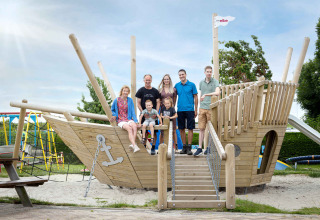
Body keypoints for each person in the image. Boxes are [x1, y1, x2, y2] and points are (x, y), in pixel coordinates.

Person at [194, 66, 220, 156]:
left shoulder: (215, 82)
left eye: (210, 71)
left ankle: (209, 147)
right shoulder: (201, 82)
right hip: (202, 108)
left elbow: (217, 93)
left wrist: (206, 95)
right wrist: (201, 101)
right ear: (204, 72)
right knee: (201, 128)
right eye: (207, 71)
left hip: (211, 108)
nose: (209, 73)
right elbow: (201, 94)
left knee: (210, 129)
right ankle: (200, 148)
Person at [174, 69, 198, 155]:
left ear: (186, 75)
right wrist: (173, 108)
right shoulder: (176, 85)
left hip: (190, 109)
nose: (181, 76)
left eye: (182, 74)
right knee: (181, 129)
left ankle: (189, 148)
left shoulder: (192, 85)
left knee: (190, 128)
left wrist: (196, 109)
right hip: (180, 109)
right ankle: (184, 147)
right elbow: (174, 97)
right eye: (180, 75)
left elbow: (195, 97)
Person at [136, 74, 161, 155]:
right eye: (146, 80)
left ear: (151, 80)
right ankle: (144, 147)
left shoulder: (155, 91)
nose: (147, 81)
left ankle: (153, 148)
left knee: (155, 131)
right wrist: (143, 112)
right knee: (145, 131)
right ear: (144, 80)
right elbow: (138, 103)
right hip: (144, 115)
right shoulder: (140, 91)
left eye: (149, 80)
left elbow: (158, 102)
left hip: (153, 115)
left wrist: (156, 112)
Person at [110, 85, 140, 153]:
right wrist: (114, 115)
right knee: (129, 128)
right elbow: (112, 109)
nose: (125, 92)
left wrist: (136, 121)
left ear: (128, 92)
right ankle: (134, 145)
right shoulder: (116, 100)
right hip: (120, 120)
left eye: (127, 91)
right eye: (124, 91)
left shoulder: (130, 100)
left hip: (128, 119)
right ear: (122, 91)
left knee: (134, 126)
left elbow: (132, 112)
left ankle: (133, 145)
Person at [158, 74, 177, 149]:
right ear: (163, 80)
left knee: (173, 130)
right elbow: (159, 101)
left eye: (167, 79)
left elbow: (175, 99)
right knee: (162, 131)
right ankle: (160, 146)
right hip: (163, 110)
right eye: (165, 79)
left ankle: (176, 147)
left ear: (170, 80)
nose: (166, 81)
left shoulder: (173, 89)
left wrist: (172, 107)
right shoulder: (160, 90)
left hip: (171, 111)